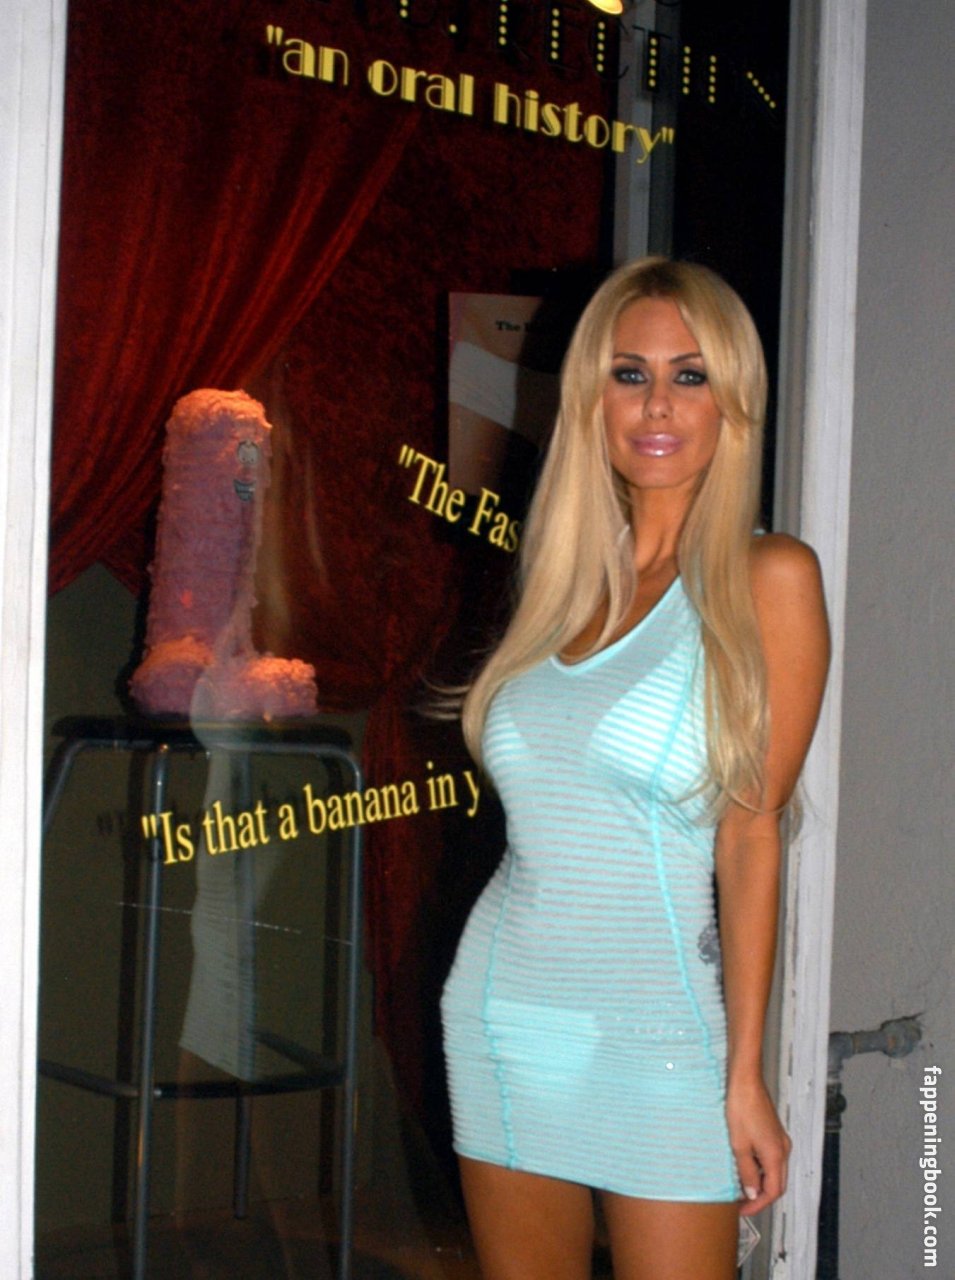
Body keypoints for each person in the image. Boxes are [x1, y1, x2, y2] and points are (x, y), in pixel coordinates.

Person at [440, 257, 830, 1280]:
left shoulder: (768, 578)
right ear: (591, 398)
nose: (657, 404)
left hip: (662, 1038)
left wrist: (743, 1074)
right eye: (629, 374)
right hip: (503, 1015)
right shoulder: (564, 581)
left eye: (689, 375)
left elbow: (749, 833)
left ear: (730, 401)